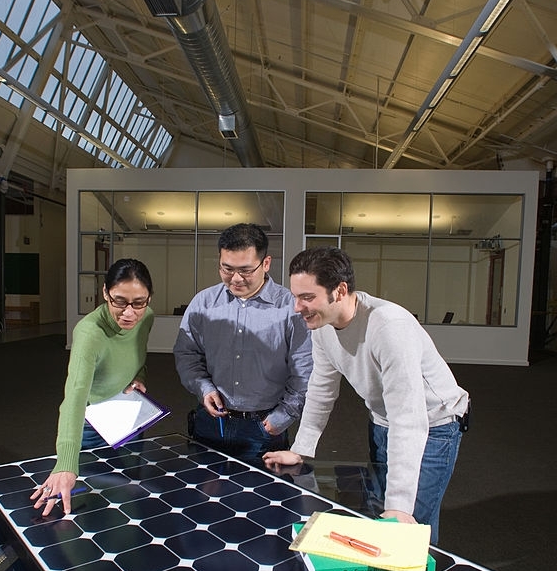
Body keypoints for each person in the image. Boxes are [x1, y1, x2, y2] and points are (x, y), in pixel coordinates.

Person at [263, 247, 470, 544]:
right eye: (296, 296)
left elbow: (409, 418)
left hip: (433, 425)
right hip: (383, 422)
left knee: (409, 530)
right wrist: (301, 449)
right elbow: (321, 390)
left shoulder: (389, 328)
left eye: (307, 297)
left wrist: (399, 506)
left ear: (340, 290)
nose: (297, 307)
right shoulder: (322, 327)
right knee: (380, 515)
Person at [173, 222, 312, 463]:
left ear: (265, 263)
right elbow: (187, 354)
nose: (235, 279)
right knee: (206, 495)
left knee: (262, 498)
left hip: (265, 426)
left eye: (246, 270)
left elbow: (304, 371)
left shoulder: (291, 308)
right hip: (210, 422)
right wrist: (204, 388)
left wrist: (282, 417)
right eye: (226, 269)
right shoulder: (203, 303)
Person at [31, 258, 155, 516]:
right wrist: (65, 465)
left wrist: (139, 376)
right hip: (91, 424)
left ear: (149, 298)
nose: (129, 313)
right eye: (119, 301)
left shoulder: (147, 318)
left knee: (129, 494)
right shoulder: (89, 333)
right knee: (91, 506)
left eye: (139, 302)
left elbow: (138, 354)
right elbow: (74, 398)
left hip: (127, 415)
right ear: (105, 293)